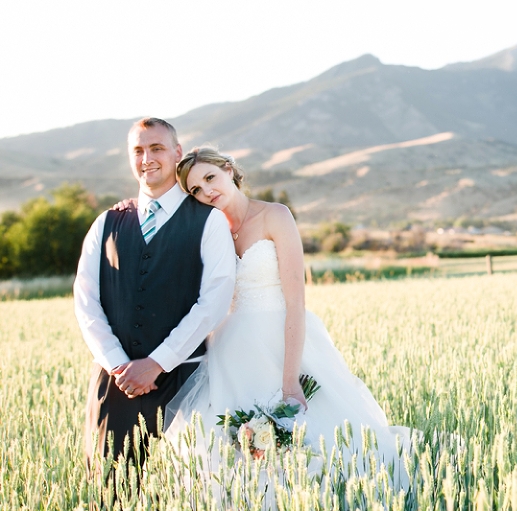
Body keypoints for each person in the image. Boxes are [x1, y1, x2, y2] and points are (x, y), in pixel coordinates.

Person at [162, 147, 410, 485]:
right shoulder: (210, 229)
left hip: (282, 342)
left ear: (229, 170)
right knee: (236, 451)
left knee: (315, 446)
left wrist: (290, 380)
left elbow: (296, 301)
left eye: (210, 178)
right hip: (231, 352)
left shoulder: (274, 215)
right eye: (195, 190)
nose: (207, 191)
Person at [73, 118, 236, 470]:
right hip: (114, 387)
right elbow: (86, 301)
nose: (147, 157)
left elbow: (214, 301)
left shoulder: (210, 221)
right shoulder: (105, 223)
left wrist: (157, 363)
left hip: (184, 386)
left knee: (183, 495)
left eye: (157, 148)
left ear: (177, 153)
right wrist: (118, 364)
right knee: (109, 493)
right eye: (138, 150)